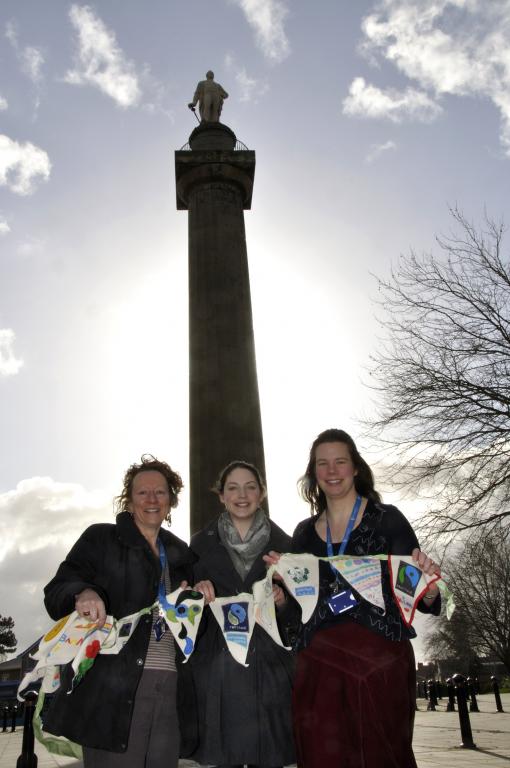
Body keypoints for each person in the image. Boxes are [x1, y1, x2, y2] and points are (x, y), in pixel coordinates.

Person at [264, 429, 441, 768]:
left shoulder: (387, 520)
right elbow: (298, 611)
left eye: (340, 461)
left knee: (380, 757)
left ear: (355, 467)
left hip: (379, 661)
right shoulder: (303, 533)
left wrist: (428, 589)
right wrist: (281, 598)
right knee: (321, 757)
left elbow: (413, 587)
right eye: (322, 463)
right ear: (313, 473)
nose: (332, 471)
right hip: (319, 666)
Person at [42, 455, 196, 768]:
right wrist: (82, 593)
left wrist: (199, 601)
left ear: (171, 501)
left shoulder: (182, 556)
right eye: (142, 492)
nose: (152, 499)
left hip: (170, 689)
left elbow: (193, 631)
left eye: (160, 492)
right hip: (113, 692)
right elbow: (56, 589)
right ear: (128, 500)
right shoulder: (101, 539)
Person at [189, 460, 295, 768]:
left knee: (269, 758)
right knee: (227, 758)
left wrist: (283, 601)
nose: (242, 495)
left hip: (270, 670)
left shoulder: (285, 545)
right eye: (233, 488)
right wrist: (197, 594)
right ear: (221, 495)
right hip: (220, 671)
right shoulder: (199, 544)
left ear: (261, 493)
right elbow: (188, 612)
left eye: (250, 487)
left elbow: (302, 609)